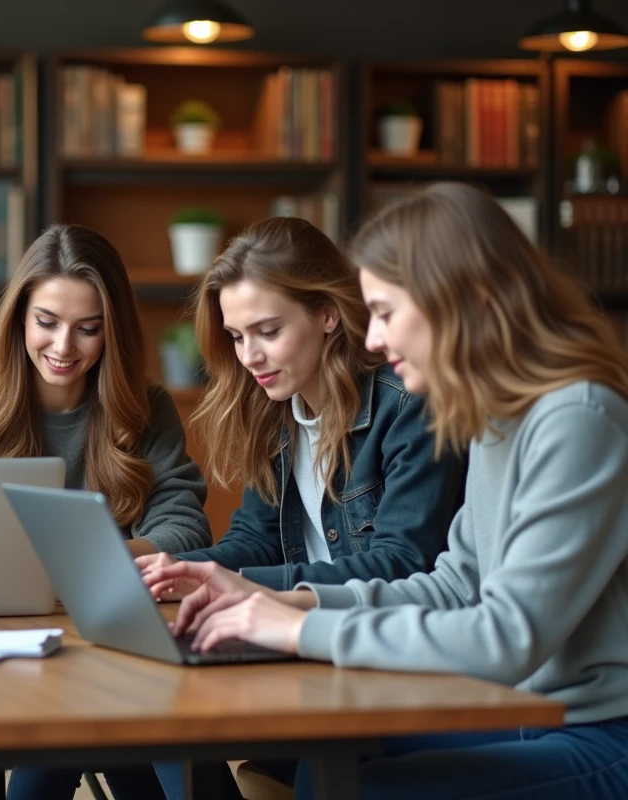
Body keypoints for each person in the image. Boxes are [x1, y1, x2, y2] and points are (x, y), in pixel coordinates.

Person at [144, 182, 628, 799]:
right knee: (322, 768)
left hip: (599, 730)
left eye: (387, 313)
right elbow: (452, 586)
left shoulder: (578, 418)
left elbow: (507, 635)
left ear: (469, 301)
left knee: (352, 787)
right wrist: (294, 603)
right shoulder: (495, 420)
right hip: (526, 708)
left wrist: (299, 631)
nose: (371, 339)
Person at [139, 215, 463, 799]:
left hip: (375, 653)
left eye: (267, 331)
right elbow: (257, 539)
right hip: (306, 648)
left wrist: (247, 587)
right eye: (237, 337)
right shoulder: (276, 410)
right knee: (149, 701)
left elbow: (403, 564)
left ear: (328, 314)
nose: (249, 356)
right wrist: (180, 571)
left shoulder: (405, 406)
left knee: (166, 707)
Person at [0, 222, 211, 800]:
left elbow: (185, 527)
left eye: (88, 329)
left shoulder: (144, 406)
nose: (63, 347)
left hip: (116, 641)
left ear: (112, 332)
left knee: (163, 737)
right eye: (47, 322)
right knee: (89, 728)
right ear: (20, 319)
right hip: (5, 643)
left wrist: (88, 563)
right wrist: (86, 566)